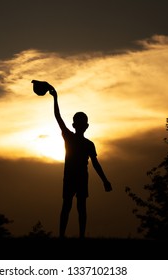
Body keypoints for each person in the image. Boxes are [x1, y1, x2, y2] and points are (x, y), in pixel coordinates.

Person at [46, 82, 112, 239]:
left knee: (79, 207)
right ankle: (64, 235)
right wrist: (55, 98)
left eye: (82, 123)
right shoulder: (70, 137)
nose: (81, 125)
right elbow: (58, 117)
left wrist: (105, 180)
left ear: (85, 126)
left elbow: (95, 164)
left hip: (80, 178)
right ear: (77, 125)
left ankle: (79, 236)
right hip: (72, 177)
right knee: (69, 206)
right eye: (80, 122)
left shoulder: (88, 144)